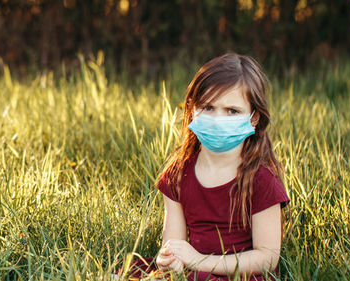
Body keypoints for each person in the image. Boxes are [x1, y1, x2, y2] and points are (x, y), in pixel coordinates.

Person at [124, 53, 290, 280]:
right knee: (128, 269)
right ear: (192, 110)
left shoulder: (262, 180)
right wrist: (170, 259)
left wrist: (200, 261)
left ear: (253, 118)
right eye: (208, 107)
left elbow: (267, 258)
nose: (218, 118)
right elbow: (174, 243)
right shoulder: (178, 173)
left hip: (241, 274)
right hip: (194, 271)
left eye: (232, 111)